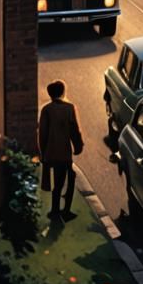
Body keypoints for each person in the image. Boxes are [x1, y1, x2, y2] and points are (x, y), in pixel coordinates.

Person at [37, 79, 84, 222]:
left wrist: (42, 153)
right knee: (68, 180)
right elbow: (75, 130)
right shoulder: (69, 108)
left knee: (56, 183)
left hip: (50, 153)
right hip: (64, 153)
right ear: (63, 92)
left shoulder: (46, 110)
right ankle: (66, 210)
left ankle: (55, 210)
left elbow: (42, 134)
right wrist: (78, 146)